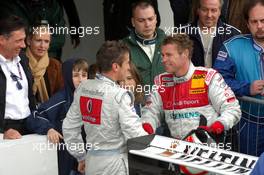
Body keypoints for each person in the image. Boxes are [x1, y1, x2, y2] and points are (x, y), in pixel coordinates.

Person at [63, 41, 148, 175]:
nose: (128, 67)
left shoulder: (83, 88)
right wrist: (156, 149)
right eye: (127, 62)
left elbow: (69, 127)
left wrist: (81, 156)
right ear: (115, 66)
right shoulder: (120, 95)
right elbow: (135, 134)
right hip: (115, 165)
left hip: (92, 162)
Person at [141, 34, 241, 145]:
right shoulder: (161, 81)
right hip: (176, 149)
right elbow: (151, 111)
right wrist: (147, 125)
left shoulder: (208, 77)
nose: (163, 60)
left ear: (185, 54)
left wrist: (218, 125)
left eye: (168, 55)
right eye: (163, 55)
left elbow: (233, 109)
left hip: (207, 148)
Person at [213, 0, 264, 156]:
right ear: (247, 24)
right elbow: (218, 82)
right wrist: (247, 88)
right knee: (250, 167)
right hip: (249, 124)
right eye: (254, 21)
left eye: (263, 20)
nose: (260, 26)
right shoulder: (232, 47)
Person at [27, 58, 88, 175]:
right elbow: (35, 116)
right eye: (75, 76)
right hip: (66, 160)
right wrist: (48, 129)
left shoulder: (90, 98)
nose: (81, 80)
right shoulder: (61, 99)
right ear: (66, 77)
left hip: (85, 159)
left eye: (84, 75)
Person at [0, 15, 36, 139]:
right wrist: (2, 132)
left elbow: (30, 96)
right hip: (6, 130)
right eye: (18, 41)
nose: (23, 45)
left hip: (29, 125)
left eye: (24, 40)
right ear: (2, 40)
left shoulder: (23, 59)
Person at [181, 0, 240, 67]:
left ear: (220, 11)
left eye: (213, 10)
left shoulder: (233, 35)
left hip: (222, 77)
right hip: (192, 77)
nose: (209, 15)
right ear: (198, 10)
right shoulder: (182, 33)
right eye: (205, 10)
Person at [122, 0, 165, 86]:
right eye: (141, 20)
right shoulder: (122, 47)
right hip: (138, 99)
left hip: (167, 98)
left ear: (156, 19)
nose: (147, 24)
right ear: (133, 22)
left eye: (150, 19)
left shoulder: (170, 43)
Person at [26, 24, 64, 103]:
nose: (42, 46)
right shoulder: (19, 63)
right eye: (38, 40)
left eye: (46, 41)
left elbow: (61, 96)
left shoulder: (56, 65)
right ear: (29, 41)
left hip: (49, 113)